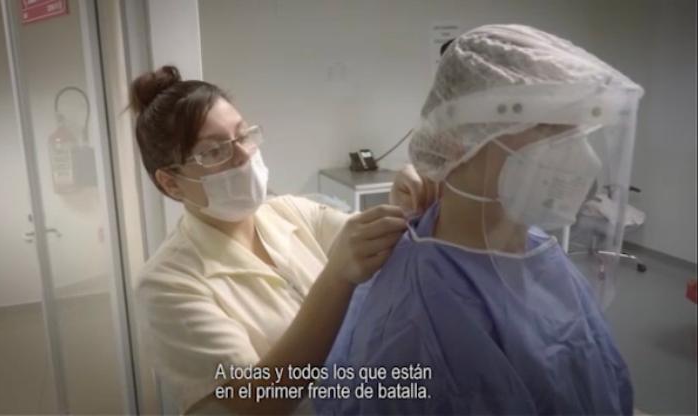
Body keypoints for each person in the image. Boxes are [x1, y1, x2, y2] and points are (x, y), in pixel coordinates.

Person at [317, 24, 643, 415]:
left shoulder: (539, 252)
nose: (580, 156)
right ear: (459, 138)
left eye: (577, 130)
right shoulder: (416, 317)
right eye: (546, 125)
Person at [129, 66, 435, 414]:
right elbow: (255, 402)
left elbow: (372, 244)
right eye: (213, 152)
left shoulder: (290, 212)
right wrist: (336, 276)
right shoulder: (166, 284)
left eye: (243, 135)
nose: (243, 155)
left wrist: (401, 206)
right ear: (171, 183)